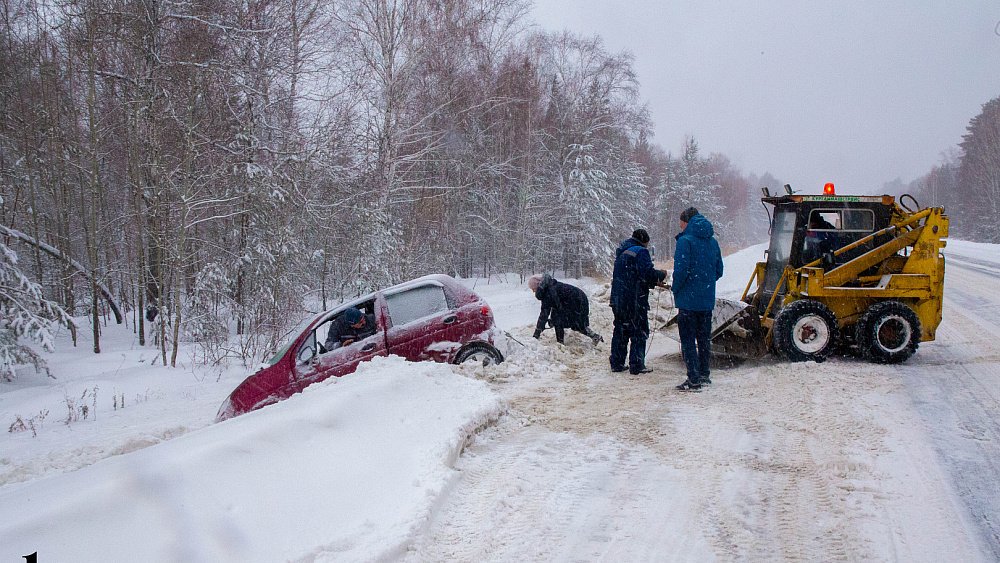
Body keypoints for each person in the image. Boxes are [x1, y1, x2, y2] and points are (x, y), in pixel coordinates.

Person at [672, 207, 724, 391]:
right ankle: (704, 374)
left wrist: (676, 289)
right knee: (703, 339)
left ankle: (693, 378)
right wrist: (704, 282)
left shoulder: (685, 242)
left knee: (687, 340)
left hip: (688, 301)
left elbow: (680, 271)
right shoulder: (713, 242)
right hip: (706, 300)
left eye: (681, 223)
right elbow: (719, 270)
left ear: (687, 222)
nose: (680, 226)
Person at [609, 228, 667, 375]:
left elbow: (632, 275)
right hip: (634, 299)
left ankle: (617, 363)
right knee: (639, 330)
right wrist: (661, 274)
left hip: (618, 298)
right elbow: (647, 273)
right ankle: (637, 364)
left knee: (621, 330)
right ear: (645, 241)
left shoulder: (622, 253)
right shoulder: (640, 251)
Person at [529, 273, 603, 345]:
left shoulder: (549, 291)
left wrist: (537, 333)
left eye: (533, 288)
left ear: (538, 285)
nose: (533, 291)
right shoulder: (549, 287)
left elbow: (544, 314)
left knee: (558, 320)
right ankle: (595, 336)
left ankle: (560, 344)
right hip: (579, 299)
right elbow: (554, 308)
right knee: (574, 323)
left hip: (577, 301)